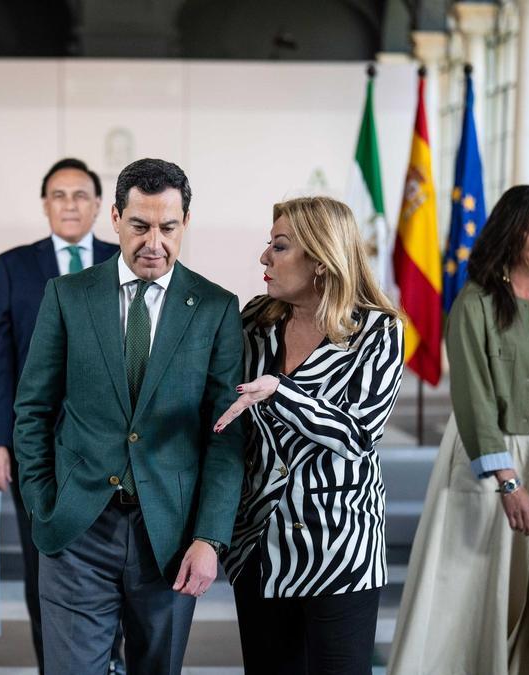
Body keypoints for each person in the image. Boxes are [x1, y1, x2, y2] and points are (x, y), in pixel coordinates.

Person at [13, 157, 245, 674]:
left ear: (186, 223)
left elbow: (226, 437)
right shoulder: (67, 296)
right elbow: (33, 409)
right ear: (115, 218)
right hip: (76, 529)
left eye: (168, 227)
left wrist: (209, 537)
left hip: (170, 538)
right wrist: (41, 502)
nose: (154, 243)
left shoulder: (215, 308)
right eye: (140, 226)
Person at [387, 185, 529, 674]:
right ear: (512, 232)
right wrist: (507, 481)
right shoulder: (476, 302)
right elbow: (473, 397)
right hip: (490, 452)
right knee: (475, 586)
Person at [213, 196, 404, 674]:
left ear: (320, 260)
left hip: (340, 547)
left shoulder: (378, 330)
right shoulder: (256, 320)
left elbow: (359, 433)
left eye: (279, 247)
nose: (264, 258)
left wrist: (280, 392)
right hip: (259, 546)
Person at [0, 157, 119, 671]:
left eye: (81, 195)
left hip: (111, 447)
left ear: (101, 206)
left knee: (116, 561)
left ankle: (111, 661)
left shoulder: (121, 258)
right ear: (45, 205)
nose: (70, 205)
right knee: (46, 563)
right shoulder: (14, 265)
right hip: (39, 446)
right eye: (59, 195)